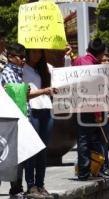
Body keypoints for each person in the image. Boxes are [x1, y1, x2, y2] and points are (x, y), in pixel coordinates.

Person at [72, 38, 108, 180]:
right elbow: (94, 92)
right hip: (91, 109)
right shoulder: (93, 67)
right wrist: (98, 113)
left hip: (79, 107)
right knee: (92, 140)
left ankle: (85, 171)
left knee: (83, 139)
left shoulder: (79, 61)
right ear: (99, 53)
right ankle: (91, 171)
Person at [23, 49, 56, 198]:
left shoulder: (46, 68)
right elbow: (25, 93)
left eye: (39, 53)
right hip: (32, 111)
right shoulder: (22, 69)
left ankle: (40, 184)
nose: (37, 55)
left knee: (43, 150)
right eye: (33, 52)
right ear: (27, 53)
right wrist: (44, 91)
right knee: (32, 150)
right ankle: (31, 186)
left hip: (47, 110)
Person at [1, 43, 26, 198]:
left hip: (19, 120)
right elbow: (16, 97)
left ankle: (17, 188)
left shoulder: (20, 73)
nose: (23, 60)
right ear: (10, 57)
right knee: (10, 157)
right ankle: (15, 189)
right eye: (20, 57)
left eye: (24, 57)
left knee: (18, 157)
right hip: (10, 120)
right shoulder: (9, 73)